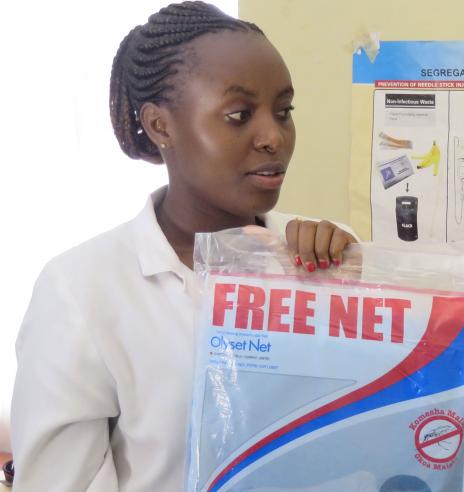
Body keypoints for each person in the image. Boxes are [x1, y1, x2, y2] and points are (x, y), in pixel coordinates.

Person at [10, 2, 356, 490]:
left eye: (284, 112)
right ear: (160, 125)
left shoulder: (328, 259)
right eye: (239, 115)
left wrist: (360, 282)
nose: (274, 137)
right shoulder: (84, 289)